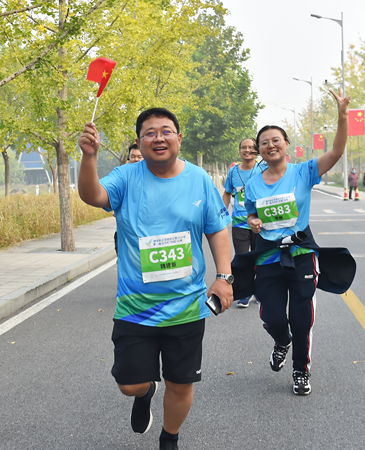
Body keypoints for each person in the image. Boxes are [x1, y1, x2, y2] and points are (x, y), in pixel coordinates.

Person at [78, 108, 234, 450]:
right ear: (139, 142)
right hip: (136, 307)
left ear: (179, 137)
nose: (158, 138)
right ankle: (146, 390)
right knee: (129, 384)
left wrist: (224, 276)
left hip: (187, 307)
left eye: (166, 131)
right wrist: (89, 158)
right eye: (150, 133)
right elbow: (93, 195)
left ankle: (169, 438)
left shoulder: (199, 180)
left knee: (180, 383)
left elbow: (218, 231)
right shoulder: (126, 177)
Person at [232, 89, 356, 396]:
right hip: (269, 257)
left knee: (302, 319)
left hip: (301, 254)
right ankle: (281, 341)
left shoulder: (304, 172)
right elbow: (250, 216)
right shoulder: (252, 184)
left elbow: (337, 152)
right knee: (273, 317)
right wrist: (254, 222)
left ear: (287, 145)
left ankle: (301, 370)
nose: (270, 145)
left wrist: (342, 116)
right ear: (259, 150)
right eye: (264, 142)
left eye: (276, 140)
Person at [222, 138, 264, 308]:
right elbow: (227, 193)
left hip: (260, 223)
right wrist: (221, 215)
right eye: (243, 147)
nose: (247, 150)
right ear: (239, 151)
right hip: (239, 223)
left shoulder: (263, 168)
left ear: (256, 151)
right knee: (242, 258)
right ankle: (245, 292)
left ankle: (259, 290)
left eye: (251, 147)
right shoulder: (233, 172)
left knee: (259, 257)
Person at [115, 143, 144, 254]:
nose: (136, 159)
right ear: (128, 158)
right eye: (133, 156)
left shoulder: (151, 177)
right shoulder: (121, 177)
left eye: (139, 157)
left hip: (145, 234)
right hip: (125, 234)